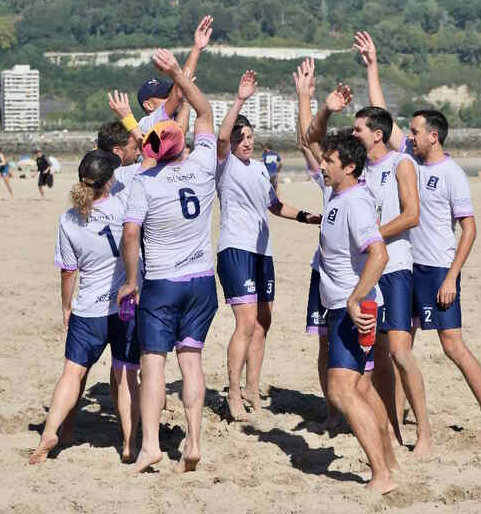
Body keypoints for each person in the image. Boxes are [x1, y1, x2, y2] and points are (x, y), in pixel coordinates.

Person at [355, 30, 481, 445]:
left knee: (453, 346)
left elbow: (469, 228)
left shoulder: (451, 174)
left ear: (433, 136)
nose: (411, 136)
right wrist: (372, 66)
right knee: (401, 350)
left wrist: (452, 277)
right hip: (409, 267)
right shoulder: (411, 162)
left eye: (417, 132)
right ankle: (399, 419)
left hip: (438, 269)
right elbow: (383, 118)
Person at [117, 48, 218, 474]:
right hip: (202, 281)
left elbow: (130, 234)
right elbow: (205, 109)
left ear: (153, 149)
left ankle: (152, 445)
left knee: (154, 362)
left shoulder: (144, 181)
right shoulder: (204, 164)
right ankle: (193, 441)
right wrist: (179, 70)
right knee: (191, 361)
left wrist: (131, 279)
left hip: (162, 283)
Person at [216, 70, 321, 420]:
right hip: (236, 250)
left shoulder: (261, 169)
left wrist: (308, 216)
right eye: (240, 137)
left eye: (249, 136)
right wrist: (240, 99)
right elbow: (219, 136)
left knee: (263, 323)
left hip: (263, 254)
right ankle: (232, 394)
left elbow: (274, 206)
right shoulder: (226, 165)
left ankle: (252, 389)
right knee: (245, 323)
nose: (246, 141)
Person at [29, 149, 141, 465]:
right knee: (126, 375)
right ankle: (130, 442)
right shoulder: (123, 207)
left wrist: (66, 306)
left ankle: (52, 431)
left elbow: (68, 270)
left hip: (88, 308)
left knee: (72, 373)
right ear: (110, 181)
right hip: (124, 306)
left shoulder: (69, 217)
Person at [310, 126, 398, 495]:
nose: (322, 165)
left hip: (354, 308)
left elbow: (380, 254)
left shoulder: (355, 203)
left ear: (348, 166)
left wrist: (354, 297)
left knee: (342, 389)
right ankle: (390, 460)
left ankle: (381, 474)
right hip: (343, 305)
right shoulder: (337, 194)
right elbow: (308, 138)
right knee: (362, 387)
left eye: (329, 161)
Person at [351, 104, 432, 457]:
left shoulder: (401, 163)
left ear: (377, 134)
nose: (353, 135)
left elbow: (412, 215)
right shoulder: (359, 171)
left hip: (396, 267)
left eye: (358, 130)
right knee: (378, 354)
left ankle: (425, 435)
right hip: (369, 270)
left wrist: (373, 236)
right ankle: (392, 431)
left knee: (400, 351)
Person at [293, 58, 341, 432]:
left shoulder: (365, 182)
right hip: (321, 272)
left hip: (354, 276)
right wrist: (304, 95)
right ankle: (333, 410)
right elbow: (306, 141)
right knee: (325, 346)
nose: (325, 164)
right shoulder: (328, 181)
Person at [135, 16, 213, 136]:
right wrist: (196, 49)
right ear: (148, 105)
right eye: (164, 96)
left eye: (169, 93)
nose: (169, 97)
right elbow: (178, 91)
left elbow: (179, 136)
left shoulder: (170, 121)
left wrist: (186, 98)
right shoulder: (147, 123)